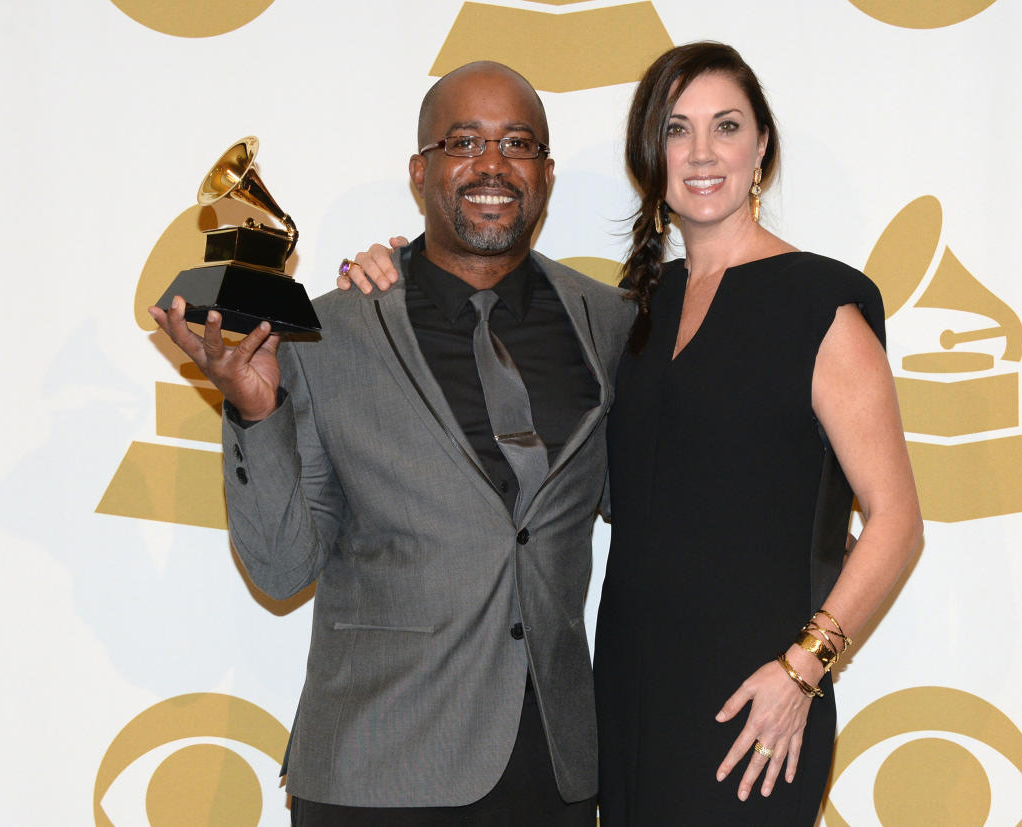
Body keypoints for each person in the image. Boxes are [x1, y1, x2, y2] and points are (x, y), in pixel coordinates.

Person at [346, 42, 922, 825]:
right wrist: (393, 267)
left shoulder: (824, 307)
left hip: (755, 700)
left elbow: (896, 521)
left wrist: (803, 670)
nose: (703, 152)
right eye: (678, 131)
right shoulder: (634, 315)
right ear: (653, 157)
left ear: (761, 149)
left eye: (726, 126)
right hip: (624, 694)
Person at [150, 61, 635, 825]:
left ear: (545, 170)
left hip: (553, 773)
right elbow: (280, 569)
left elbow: (660, 503)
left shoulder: (608, 324)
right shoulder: (328, 331)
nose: (491, 164)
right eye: (463, 141)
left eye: (516, 142)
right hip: (373, 771)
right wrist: (255, 412)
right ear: (421, 169)